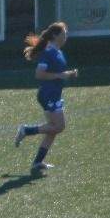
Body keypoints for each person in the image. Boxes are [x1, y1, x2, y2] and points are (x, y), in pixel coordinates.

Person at [13, 22, 78, 176]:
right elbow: (39, 74)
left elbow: (57, 73)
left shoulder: (58, 52)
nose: (66, 36)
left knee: (53, 128)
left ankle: (37, 162)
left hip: (54, 94)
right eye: (64, 33)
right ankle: (26, 130)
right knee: (59, 126)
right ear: (56, 35)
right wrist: (60, 75)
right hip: (48, 94)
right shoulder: (48, 52)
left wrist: (68, 74)